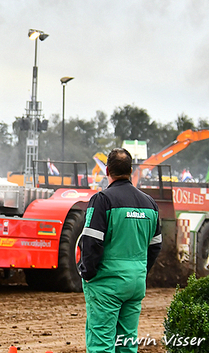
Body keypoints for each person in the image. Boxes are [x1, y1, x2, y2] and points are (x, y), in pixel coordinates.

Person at [77, 148, 162, 353]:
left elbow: (91, 241)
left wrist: (87, 273)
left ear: (107, 170)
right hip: (135, 283)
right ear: (131, 170)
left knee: (101, 344)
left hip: (108, 284)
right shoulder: (150, 204)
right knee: (126, 343)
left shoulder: (102, 200)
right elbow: (156, 245)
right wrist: (140, 270)